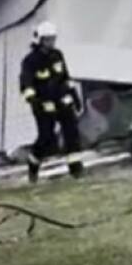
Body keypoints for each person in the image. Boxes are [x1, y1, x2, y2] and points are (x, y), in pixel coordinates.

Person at [20, 22, 84, 182]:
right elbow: (26, 84)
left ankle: (76, 170)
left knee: (72, 133)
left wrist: (75, 96)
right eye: (47, 40)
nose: (51, 43)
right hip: (43, 103)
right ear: (39, 40)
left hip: (62, 99)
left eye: (52, 39)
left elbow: (65, 77)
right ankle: (33, 164)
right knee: (47, 137)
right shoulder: (30, 61)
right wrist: (34, 101)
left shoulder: (57, 55)